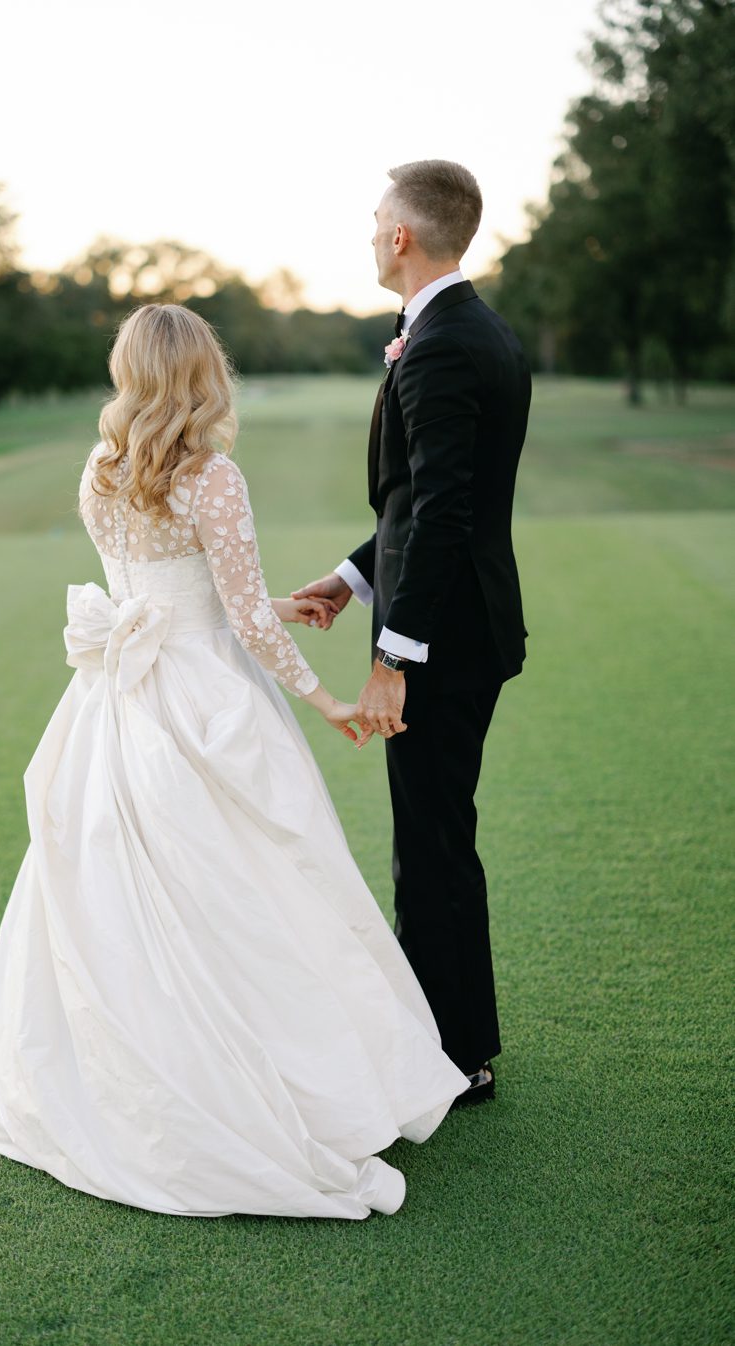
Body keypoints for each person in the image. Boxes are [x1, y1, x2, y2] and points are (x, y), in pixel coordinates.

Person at [0, 302, 471, 1221]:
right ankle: (276, 1087)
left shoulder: (102, 465)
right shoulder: (211, 476)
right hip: (203, 697)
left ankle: (136, 1072)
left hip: (121, 697)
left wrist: (275, 604)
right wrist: (325, 700)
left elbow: (171, 592)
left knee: (123, 890)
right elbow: (231, 619)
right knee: (255, 880)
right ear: (203, 373)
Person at [293, 160, 531, 1105]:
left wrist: (395, 656)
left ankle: (453, 1054)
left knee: (430, 845)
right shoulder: (470, 329)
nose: (369, 232)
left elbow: (443, 512)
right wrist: (355, 578)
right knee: (436, 835)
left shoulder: (439, 345)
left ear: (402, 235)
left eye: (376, 218)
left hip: (443, 638)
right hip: (463, 623)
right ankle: (447, 1038)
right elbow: (421, 502)